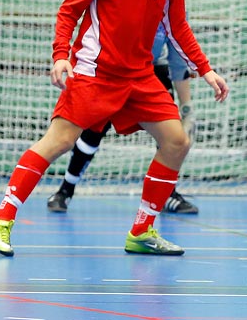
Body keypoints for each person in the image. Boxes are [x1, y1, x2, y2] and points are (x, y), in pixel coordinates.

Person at [0, 0, 228, 257]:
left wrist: (205, 68)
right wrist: (61, 55)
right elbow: (70, 10)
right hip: (96, 72)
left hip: (140, 75)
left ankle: (142, 232)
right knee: (59, 141)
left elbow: (176, 24)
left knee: (177, 141)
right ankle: (1, 219)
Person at [45, 22, 199, 215]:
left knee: (170, 135)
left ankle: (167, 193)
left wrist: (187, 110)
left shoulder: (173, 2)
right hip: (113, 69)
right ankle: (66, 189)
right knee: (94, 131)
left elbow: (178, 60)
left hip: (150, 70)